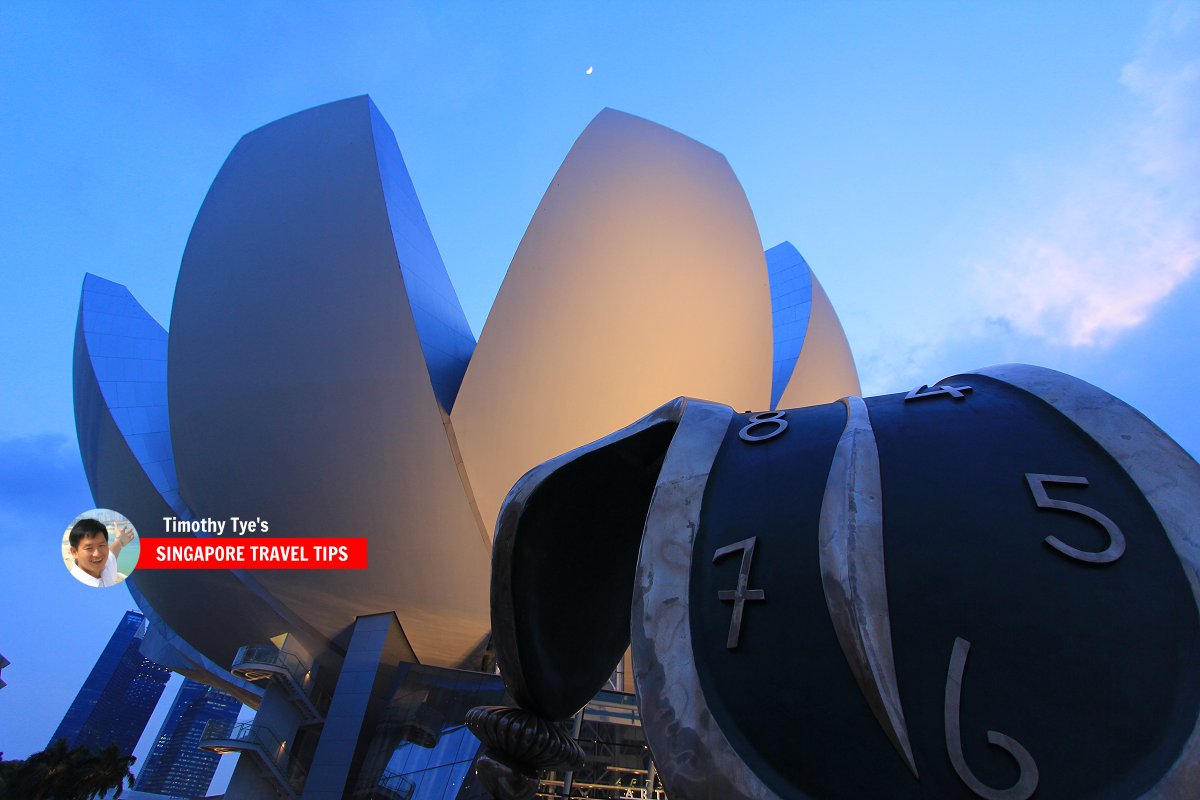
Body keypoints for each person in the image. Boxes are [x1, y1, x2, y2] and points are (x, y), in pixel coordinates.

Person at [67, 518, 134, 587]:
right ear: (74, 552)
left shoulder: (106, 565)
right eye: (89, 548)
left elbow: (113, 551)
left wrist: (120, 541)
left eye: (101, 545)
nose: (97, 554)